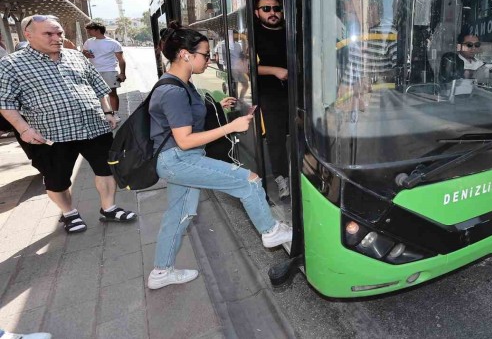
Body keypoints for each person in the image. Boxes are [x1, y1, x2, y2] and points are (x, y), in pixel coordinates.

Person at [147, 22, 291, 290]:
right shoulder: (174, 91)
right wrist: (231, 127)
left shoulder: (181, 83)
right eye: (204, 54)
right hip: (180, 160)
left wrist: (218, 106)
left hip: (178, 160)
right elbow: (184, 139)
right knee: (249, 180)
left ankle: (160, 272)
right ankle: (271, 232)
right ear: (185, 54)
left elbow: (186, 120)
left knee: (179, 215)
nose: (209, 59)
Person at [0, 15, 135, 234]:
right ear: (29, 35)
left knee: (106, 170)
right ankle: (69, 213)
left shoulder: (76, 57)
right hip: (52, 135)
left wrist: (108, 111)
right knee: (57, 180)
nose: (57, 38)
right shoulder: (11, 65)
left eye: (59, 33)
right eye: (49, 34)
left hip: (95, 127)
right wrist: (24, 129)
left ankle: (108, 208)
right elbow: (5, 103)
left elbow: (98, 86)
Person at [253, 0, 290, 199]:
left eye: (276, 8)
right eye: (266, 9)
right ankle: (281, 178)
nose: (272, 13)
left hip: (298, 92)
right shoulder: (253, 34)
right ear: (257, 12)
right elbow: (243, 67)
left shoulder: (290, 30)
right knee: (275, 139)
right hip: (270, 95)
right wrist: (275, 71)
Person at [83, 22, 126, 120]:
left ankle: (115, 114)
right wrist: (85, 54)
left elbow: (121, 59)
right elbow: (83, 53)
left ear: (97, 30)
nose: (88, 32)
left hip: (109, 71)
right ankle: (102, 114)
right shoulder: (88, 42)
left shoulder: (113, 43)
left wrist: (122, 73)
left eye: (90, 30)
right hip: (93, 71)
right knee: (95, 94)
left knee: (112, 93)